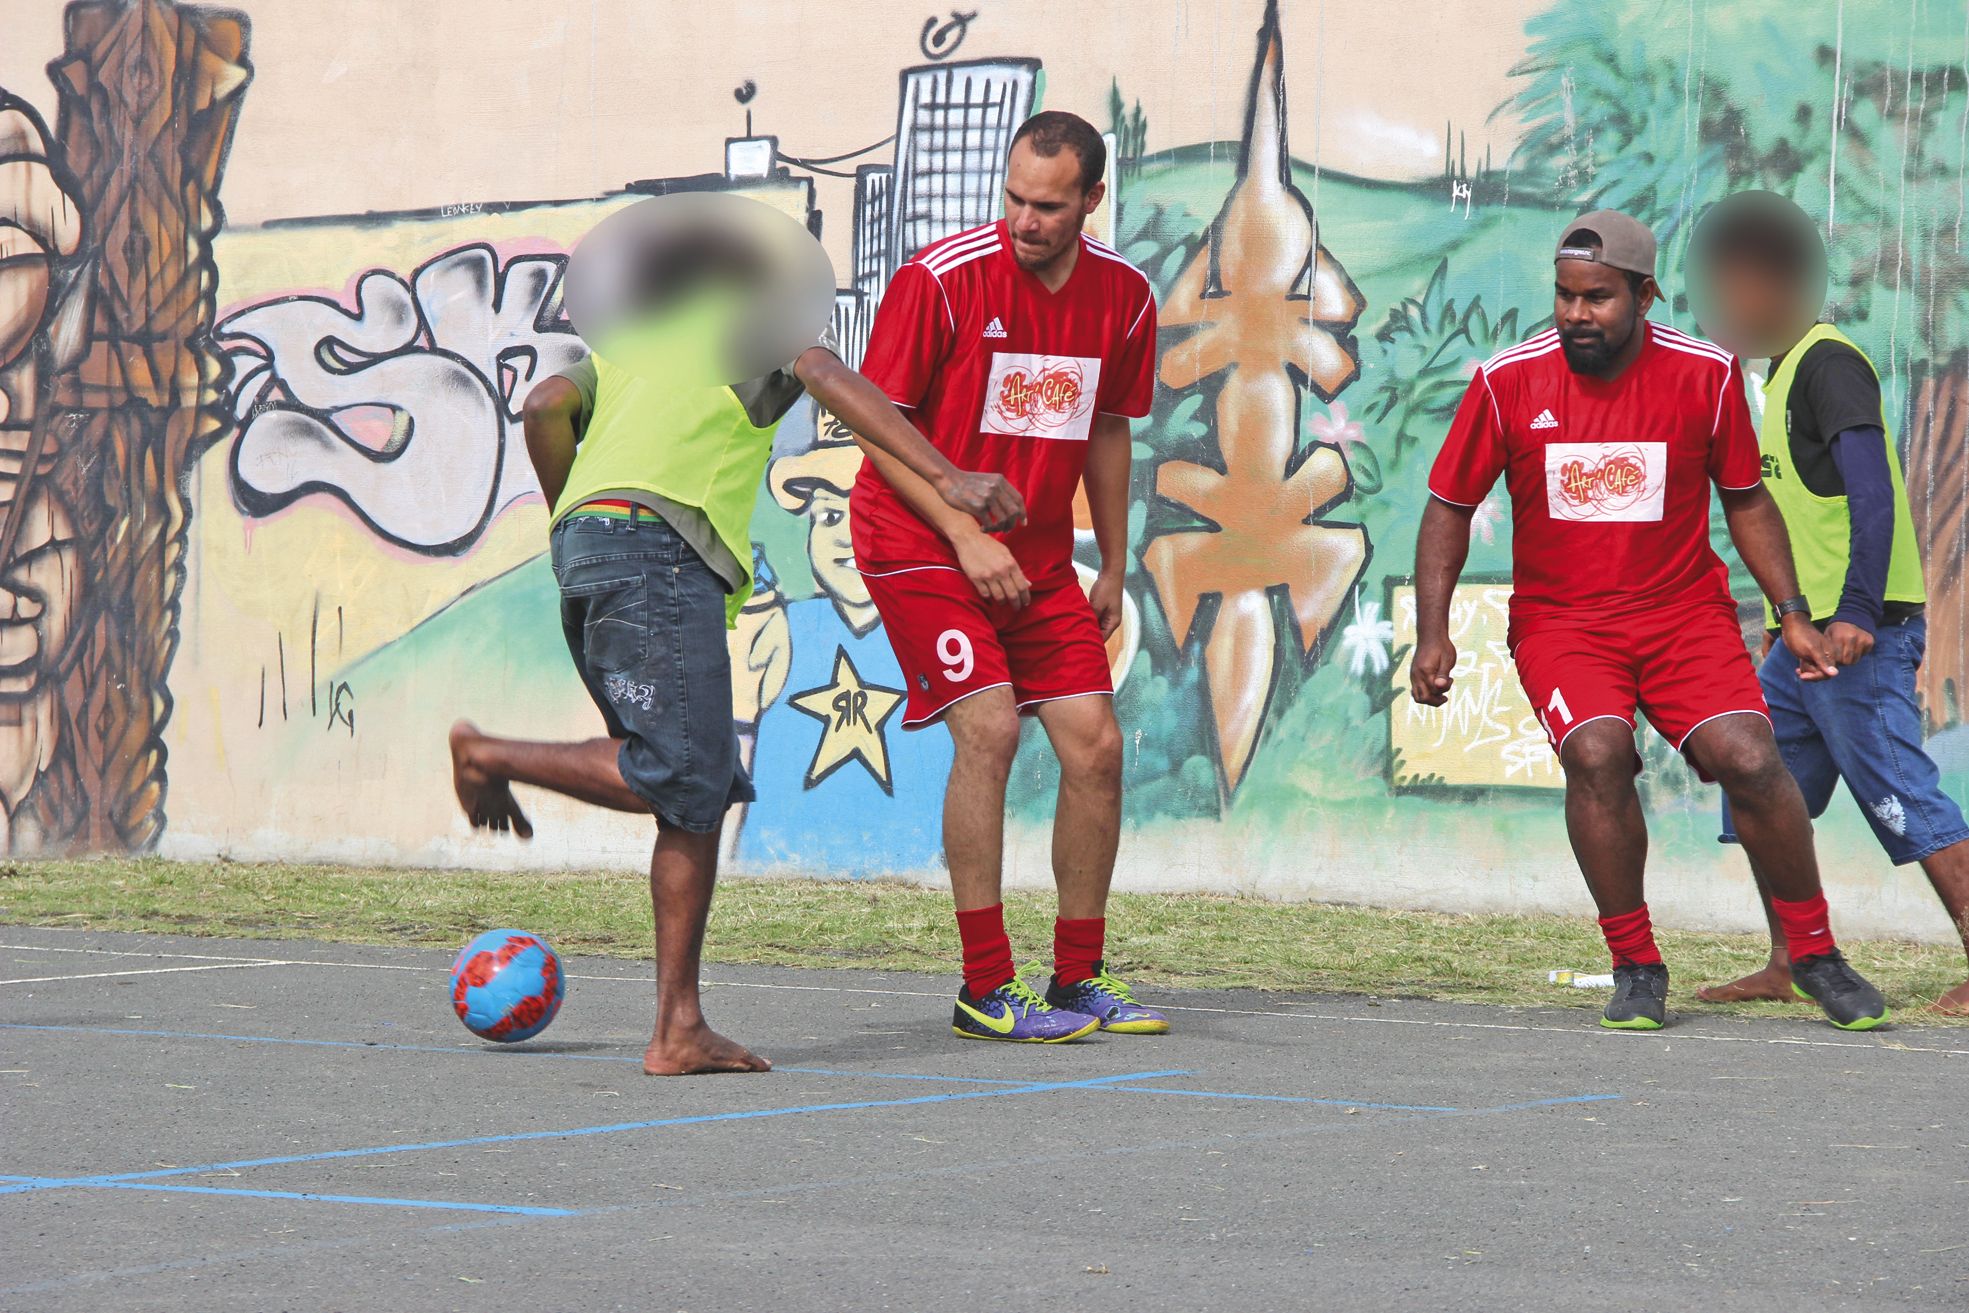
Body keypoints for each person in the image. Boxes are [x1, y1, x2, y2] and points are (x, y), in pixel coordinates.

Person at [448, 244, 1025, 1076]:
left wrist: (574, 518)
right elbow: (831, 380)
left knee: (698, 791)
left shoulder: (625, 348)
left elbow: (542, 408)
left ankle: (678, 1028)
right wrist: (951, 476)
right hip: (660, 552)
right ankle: (488, 750)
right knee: (678, 768)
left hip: (592, 547)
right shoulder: (752, 327)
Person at [1407, 208, 1889, 1031]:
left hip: (1681, 616)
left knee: (1749, 754)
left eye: (1595, 297)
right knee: (1597, 753)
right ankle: (1634, 961)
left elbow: (1745, 500)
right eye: (1563, 296)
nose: (1573, 315)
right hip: (1563, 623)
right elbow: (1448, 506)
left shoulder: (1703, 375)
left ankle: (1812, 952)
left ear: (1644, 294)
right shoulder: (1507, 381)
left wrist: (1793, 613)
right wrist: (1432, 630)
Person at [849, 110, 1166, 1043]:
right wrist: (960, 532)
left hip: (1030, 558)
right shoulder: (938, 282)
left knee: (1095, 748)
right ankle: (985, 985)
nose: (1025, 221)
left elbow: (1109, 426)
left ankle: (1076, 979)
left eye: (1049, 206)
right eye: (1015, 199)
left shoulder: (1125, 298)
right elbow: (876, 425)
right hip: (912, 537)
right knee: (988, 727)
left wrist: (1109, 557)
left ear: (1091, 202)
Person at [1689, 193, 1969, 1016]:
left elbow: (1873, 491)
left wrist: (1854, 612)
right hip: (1800, 641)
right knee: (1756, 786)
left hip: (1859, 636)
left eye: (1738, 286)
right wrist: (1793, 620)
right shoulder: (1772, 374)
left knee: (1901, 793)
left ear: (1778, 286)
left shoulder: (1826, 362)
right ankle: (1788, 958)